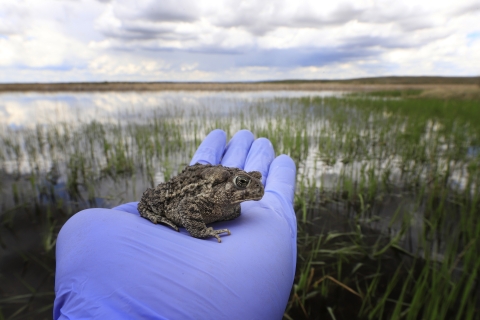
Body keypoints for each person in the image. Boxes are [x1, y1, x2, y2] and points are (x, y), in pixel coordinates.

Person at [54, 129, 297, 319]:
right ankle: (152, 212)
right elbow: (185, 206)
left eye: (254, 179)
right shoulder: (207, 197)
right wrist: (200, 230)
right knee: (153, 200)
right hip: (179, 190)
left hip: (208, 180)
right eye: (243, 182)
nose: (255, 186)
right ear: (227, 184)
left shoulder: (226, 199)